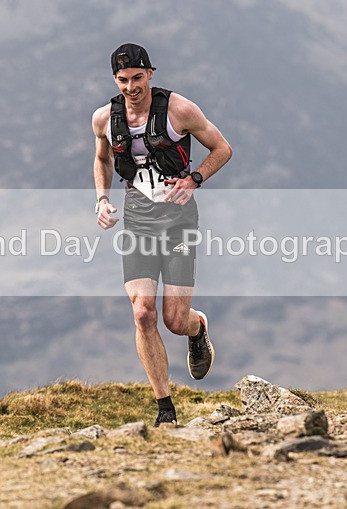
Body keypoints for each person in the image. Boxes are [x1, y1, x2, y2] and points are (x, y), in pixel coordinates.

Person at [92, 43, 232, 427]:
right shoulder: (104, 118)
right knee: (142, 313)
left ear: (150, 73)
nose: (131, 87)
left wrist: (194, 179)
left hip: (178, 221)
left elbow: (222, 148)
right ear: (114, 79)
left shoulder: (179, 110)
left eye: (138, 77)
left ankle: (197, 327)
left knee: (174, 320)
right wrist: (102, 200)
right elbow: (102, 159)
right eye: (123, 80)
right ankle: (165, 409)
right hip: (138, 219)